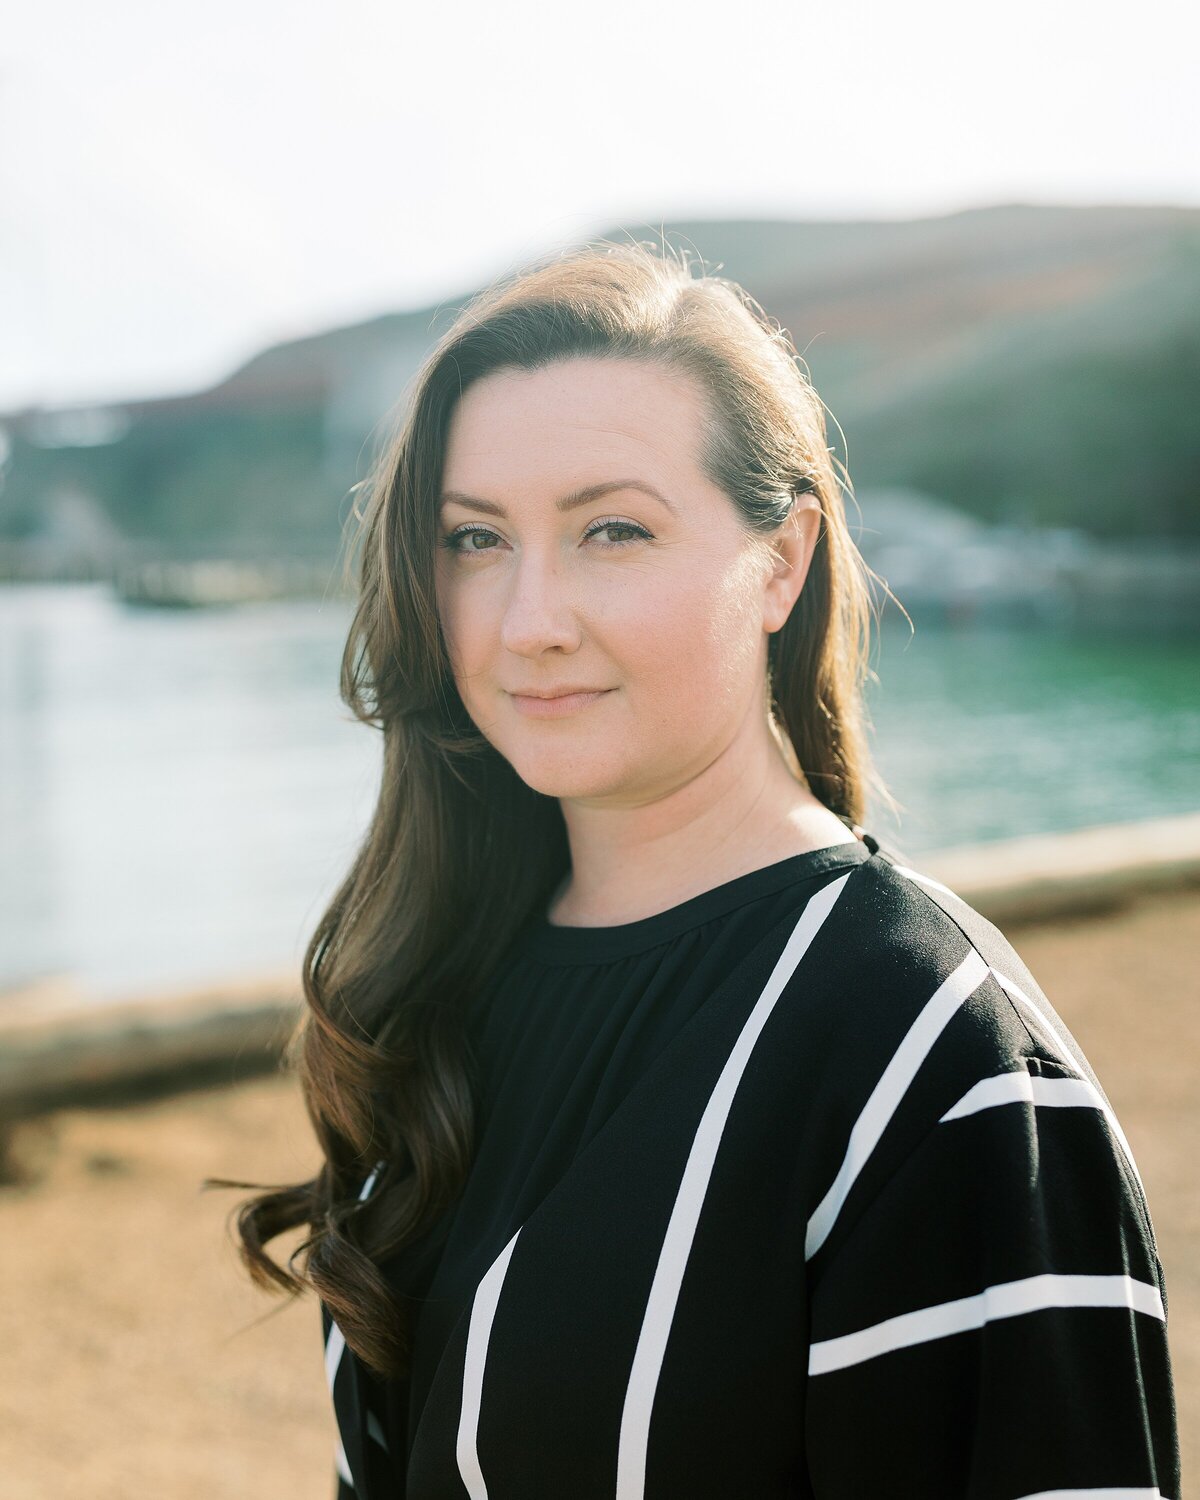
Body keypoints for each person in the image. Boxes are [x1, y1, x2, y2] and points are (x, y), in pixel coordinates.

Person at [218, 240, 1180, 1498]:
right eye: (474, 540)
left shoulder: (929, 1054)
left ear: (781, 563)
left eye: (613, 529)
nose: (529, 620)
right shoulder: (442, 990)